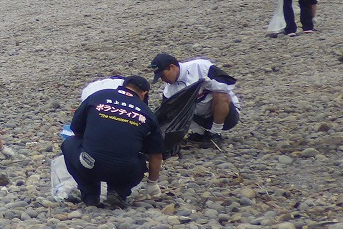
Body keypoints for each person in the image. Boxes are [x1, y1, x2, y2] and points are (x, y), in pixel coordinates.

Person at [62, 75, 164, 208]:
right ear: (144, 93)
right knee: (139, 158)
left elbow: (76, 129)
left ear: (123, 85)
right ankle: (118, 192)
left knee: (69, 143)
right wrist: (152, 183)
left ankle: (90, 194)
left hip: (88, 163)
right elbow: (156, 155)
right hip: (125, 171)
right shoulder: (148, 113)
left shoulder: (98, 96)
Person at [149, 52, 241, 141]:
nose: (163, 80)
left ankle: (215, 134)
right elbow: (167, 115)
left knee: (220, 93)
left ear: (172, 67)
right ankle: (201, 133)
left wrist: (210, 84)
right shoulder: (169, 91)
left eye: (162, 75)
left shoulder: (200, 66)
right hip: (202, 121)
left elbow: (229, 84)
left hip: (228, 117)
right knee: (173, 109)